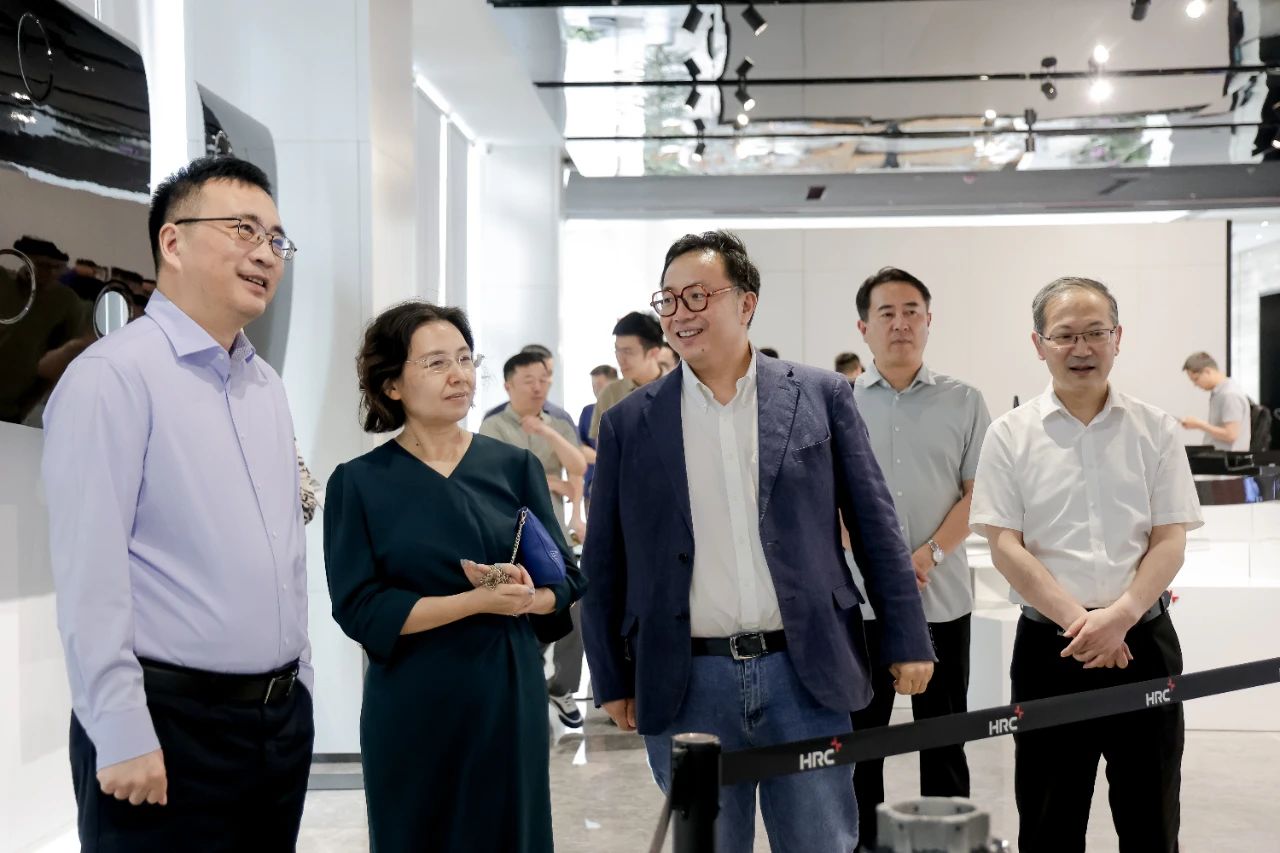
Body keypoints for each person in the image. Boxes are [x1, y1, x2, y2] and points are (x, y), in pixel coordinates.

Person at [581, 230, 935, 853]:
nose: (681, 313)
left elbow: (875, 525)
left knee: (820, 843)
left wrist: (907, 636)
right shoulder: (629, 423)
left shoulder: (820, 396)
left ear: (746, 303)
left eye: (699, 295)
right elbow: (605, 560)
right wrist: (610, 675)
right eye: (669, 299)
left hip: (805, 672)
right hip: (687, 680)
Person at [41, 156, 313, 851]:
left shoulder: (266, 386)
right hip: (168, 725)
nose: (266, 253)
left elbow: (282, 552)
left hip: (276, 725)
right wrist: (120, 728)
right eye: (243, 229)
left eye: (276, 239)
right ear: (173, 241)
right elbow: (90, 571)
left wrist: (302, 683)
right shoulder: (113, 376)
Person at [323, 301, 585, 853]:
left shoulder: (514, 467)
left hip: (505, 692)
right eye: (437, 362)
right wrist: (473, 601)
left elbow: (564, 580)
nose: (460, 375)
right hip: (413, 700)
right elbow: (360, 608)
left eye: (466, 359)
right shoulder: (359, 483)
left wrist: (527, 598)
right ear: (392, 384)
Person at [970, 276, 1202, 853]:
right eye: (1065, 335)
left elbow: (1170, 539)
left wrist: (1119, 617)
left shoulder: (1156, 429)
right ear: (1039, 344)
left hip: (1142, 644)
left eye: (1096, 332)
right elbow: (1006, 546)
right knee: (1049, 821)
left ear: (1118, 338)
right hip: (1051, 650)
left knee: (1152, 820)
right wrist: (1084, 625)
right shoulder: (1009, 435)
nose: (1082, 348)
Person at [847, 267, 992, 851]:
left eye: (912, 311)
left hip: (943, 597)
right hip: (860, 602)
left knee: (945, 738)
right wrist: (883, 565)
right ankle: (862, 843)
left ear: (929, 321)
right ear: (864, 327)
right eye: (886, 312)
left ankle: (944, 842)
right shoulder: (838, 403)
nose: (900, 323)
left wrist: (929, 553)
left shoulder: (965, 400)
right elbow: (827, 501)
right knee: (861, 744)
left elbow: (978, 492)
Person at [480, 350, 589, 728]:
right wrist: (549, 481)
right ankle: (525, 684)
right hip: (512, 540)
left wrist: (545, 432)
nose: (538, 387)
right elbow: (493, 478)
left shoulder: (557, 421)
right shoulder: (494, 425)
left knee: (574, 609)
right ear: (509, 385)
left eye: (543, 379)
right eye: (529, 380)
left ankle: (561, 686)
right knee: (523, 612)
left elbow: (578, 467)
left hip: (554, 536)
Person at [0, 235, 93, 424]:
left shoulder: (66, 302)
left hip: (12, 405)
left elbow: (57, 363)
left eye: (56, 267)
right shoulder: (4, 281)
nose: (50, 273)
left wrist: (25, 409)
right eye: (42, 265)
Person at [589, 311, 665, 441]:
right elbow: (602, 446)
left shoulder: (677, 388)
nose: (620, 359)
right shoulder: (610, 394)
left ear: (653, 353)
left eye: (628, 351)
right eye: (617, 350)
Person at [483, 342, 576, 427]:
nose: (543, 382)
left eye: (548, 374)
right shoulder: (493, 418)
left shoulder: (562, 417)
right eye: (530, 379)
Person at [1180, 351, 1252, 451]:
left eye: (1196, 379)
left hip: (1228, 458)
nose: (1195, 385)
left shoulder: (1229, 395)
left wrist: (1199, 424)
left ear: (1207, 371)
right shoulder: (1219, 393)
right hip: (1217, 456)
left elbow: (1231, 435)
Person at [578, 364, 618, 503]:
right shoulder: (588, 412)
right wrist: (607, 460)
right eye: (593, 385)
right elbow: (579, 448)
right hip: (593, 487)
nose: (596, 390)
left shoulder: (627, 410)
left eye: (600, 385)